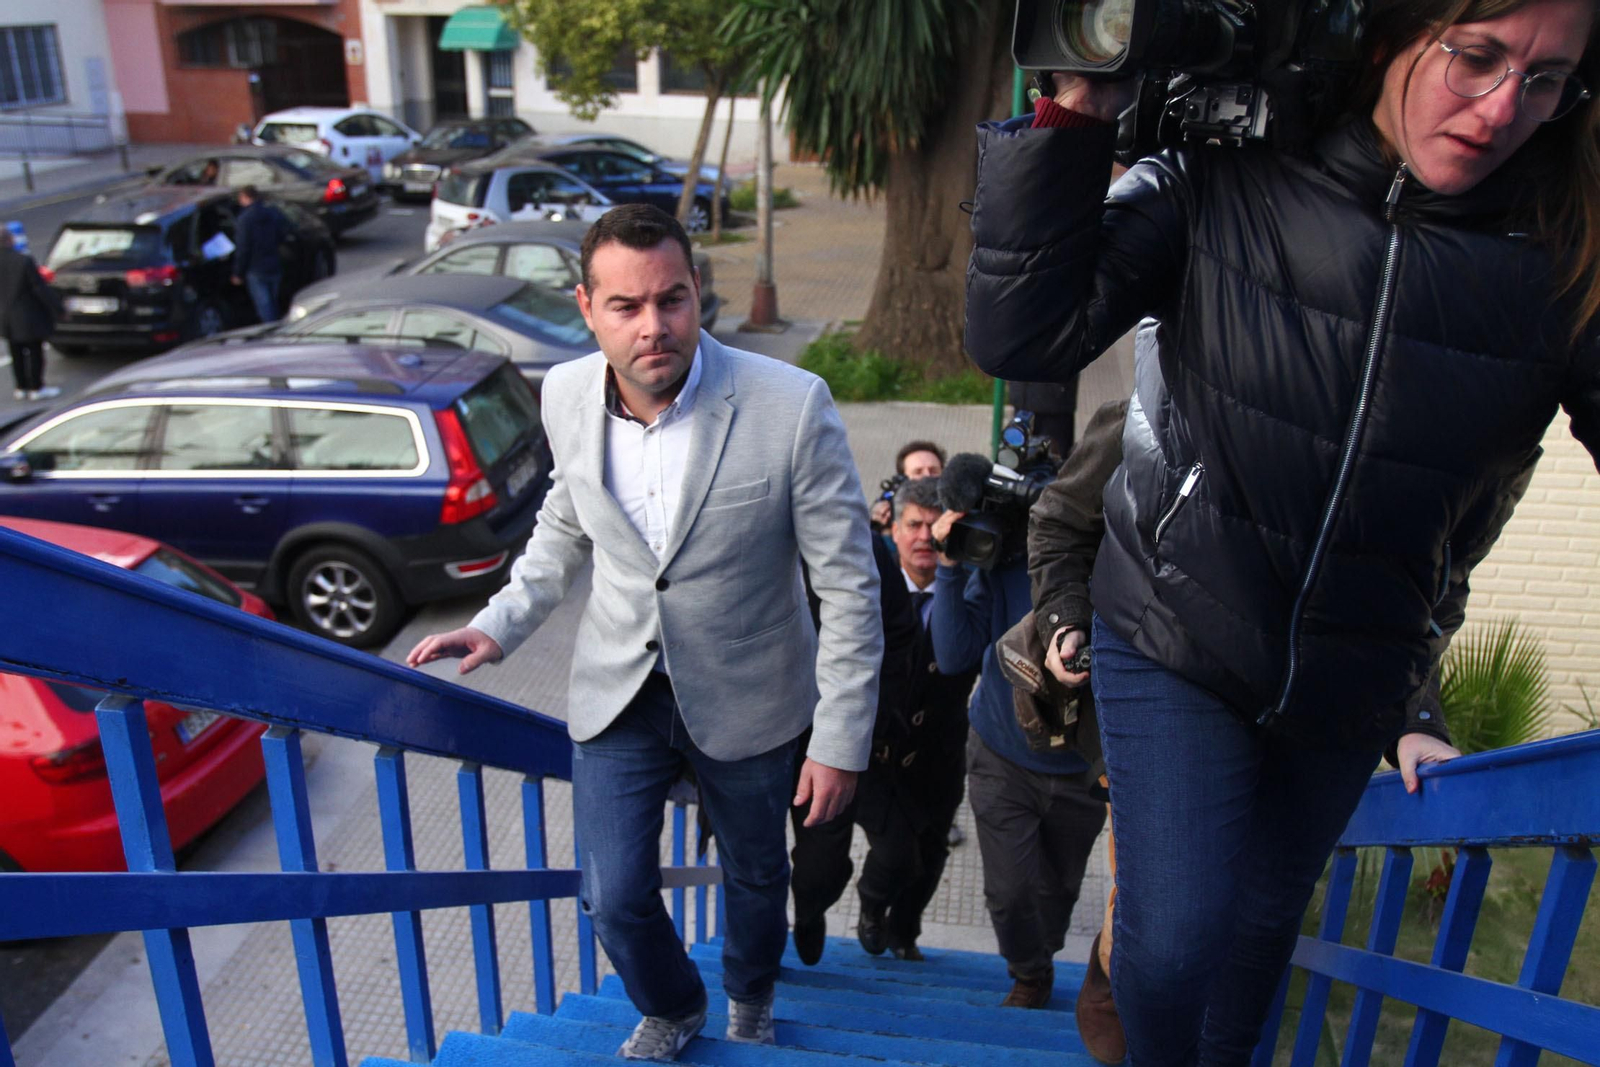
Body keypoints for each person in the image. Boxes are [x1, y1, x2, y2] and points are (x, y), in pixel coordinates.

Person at [963, 0, 1595, 1061]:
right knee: (1171, 948)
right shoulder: (1233, 167)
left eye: (1545, 80)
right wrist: (1079, 110)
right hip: (1174, 627)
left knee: (1253, 950)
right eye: (1475, 58)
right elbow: (1021, 330)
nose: (1499, 111)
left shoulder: (1562, 250)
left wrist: (1413, 702)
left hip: (1357, 667)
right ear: (1390, 34)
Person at [407, 204, 882, 1061]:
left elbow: (849, 584)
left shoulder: (789, 404)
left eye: (672, 300)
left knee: (755, 873)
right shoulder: (560, 392)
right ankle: (674, 1001)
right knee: (612, 892)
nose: (653, 327)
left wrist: (842, 739)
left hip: (751, 690)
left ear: (699, 292)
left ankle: (749, 994)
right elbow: (564, 519)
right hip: (622, 685)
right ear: (586, 307)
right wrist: (499, 624)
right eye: (626, 307)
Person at [1021, 400, 1462, 1064]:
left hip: (1307, 711)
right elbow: (1060, 521)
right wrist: (1066, 617)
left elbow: (1397, 588)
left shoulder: (1383, 415)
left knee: (1253, 927)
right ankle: (1115, 981)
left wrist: (1414, 716)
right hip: (1168, 688)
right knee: (1171, 924)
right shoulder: (1165, 386)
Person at [928, 477, 1106, 1010]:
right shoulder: (1005, 561)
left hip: (1081, 765)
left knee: (1059, 891)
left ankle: (1042, 956)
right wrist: (949, 566)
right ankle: (1029, 975)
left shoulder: (1117, 569)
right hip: (1001, 756)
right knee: (1009, 896)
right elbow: (956, 653)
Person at [851, 476, 980, 961]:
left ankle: (905, 935)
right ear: (896, 531)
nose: (925, 537)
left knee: (930, 857)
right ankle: (871, 905)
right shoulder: (870, 587)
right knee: (895, 853)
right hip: (879, 756)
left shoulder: (969, 588)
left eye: (934, 526)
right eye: (914, 525)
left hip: (940, 755)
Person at [787, 533, 916, 966]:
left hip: (844, 735)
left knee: (833, 862)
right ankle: (803, 913)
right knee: (772, 864)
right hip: (763, 735)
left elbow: (899, 632)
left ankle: (827, 902)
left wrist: (869, 719)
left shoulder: (860, 542)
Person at [0, 226, 59, 402]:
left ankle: (21, 386)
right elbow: (39, 288)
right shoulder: (23, 261)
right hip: (28, 315)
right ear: (9, 240)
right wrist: (58, 308)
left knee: (16, 353)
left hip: (5, 317)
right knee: (34, 352)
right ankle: (36, 387)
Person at [231, 185, 288, 324]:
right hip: (274, 263)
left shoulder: (244, 219)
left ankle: (272, 332)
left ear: (245, 197)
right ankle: (277, 326)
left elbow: (243, 248)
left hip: (256, 267)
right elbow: (283, 232)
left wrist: (238, 273)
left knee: (264, 305)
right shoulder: (272, 213)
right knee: (273, 301)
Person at [869, 440, 946, 530]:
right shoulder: (889, 508)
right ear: (902, 479)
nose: (927, 476)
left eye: (933, 471)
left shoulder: (957, 504)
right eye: (918, 472)